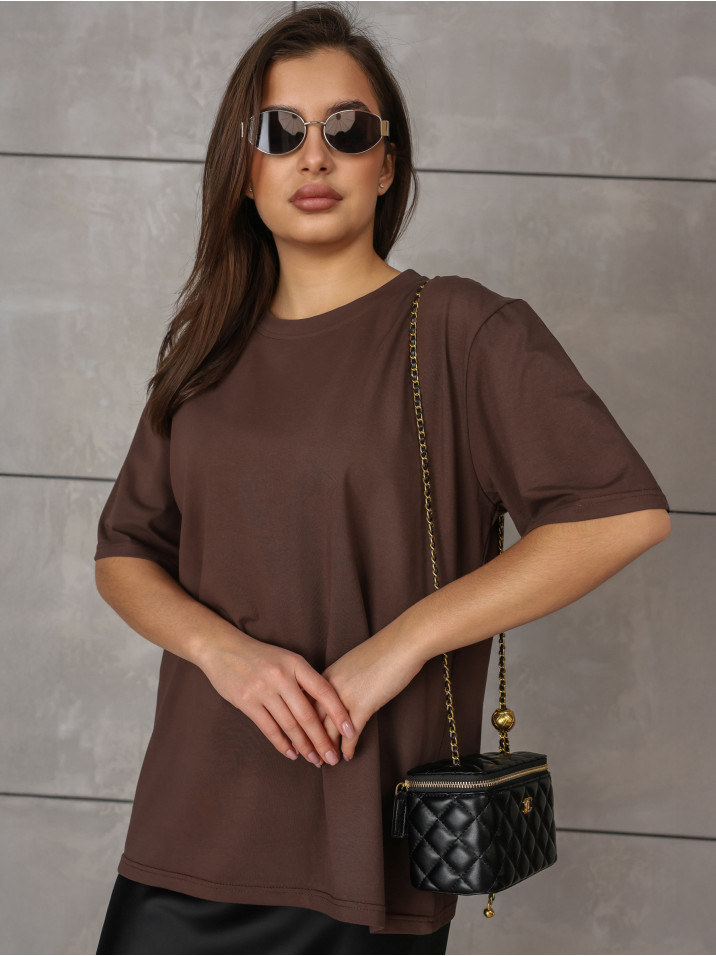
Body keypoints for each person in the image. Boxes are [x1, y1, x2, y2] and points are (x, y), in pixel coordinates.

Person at [93, 5, 670, 954]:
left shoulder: (460, 331)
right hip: (185, 836)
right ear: (245, 168)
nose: (314, 156)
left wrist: (397, 649)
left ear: (387, 163)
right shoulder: (204, 353)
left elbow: (620, 516)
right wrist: (224, 655)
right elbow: (125, 552)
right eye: (281, 131)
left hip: (365, 850)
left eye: (347, 129)